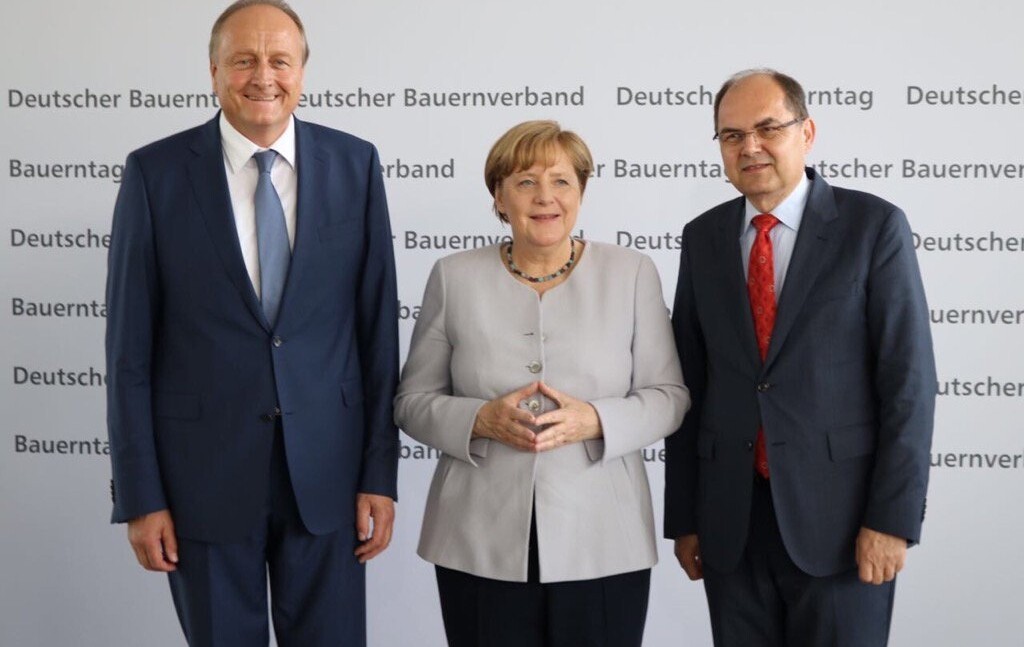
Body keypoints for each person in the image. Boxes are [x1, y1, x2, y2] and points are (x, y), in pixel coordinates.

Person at [104, 1, 399, 645]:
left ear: (303, 71)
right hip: (201, 483)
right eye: (243, 60)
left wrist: (380, 475)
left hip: (328, 479)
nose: (263, 76)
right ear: (213, 71)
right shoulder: (155, 174)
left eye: (279, 60)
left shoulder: (356, 165)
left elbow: (377, 335)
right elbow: (128, 353)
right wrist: (141, 495)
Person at [664, 68, 936, 646]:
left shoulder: (873, 227)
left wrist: (892, 520)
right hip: (731, 525)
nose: (750, 147)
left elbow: (908, 383)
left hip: (843, 526)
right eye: (732, 135)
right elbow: (690, 383)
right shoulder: (702, 237)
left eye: (768, 128)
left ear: (807, 133)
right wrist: (685, 517)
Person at [395, 120, 689, 647]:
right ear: (498, 197)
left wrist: (594, 420)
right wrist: (478, 419)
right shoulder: (452, 276)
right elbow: (412, 402)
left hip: (604, 537)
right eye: (525, 182)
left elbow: (669, 398)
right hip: (476, 539)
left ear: (581, 193)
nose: (544, 197)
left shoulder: (632, 272)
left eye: (561, 181)